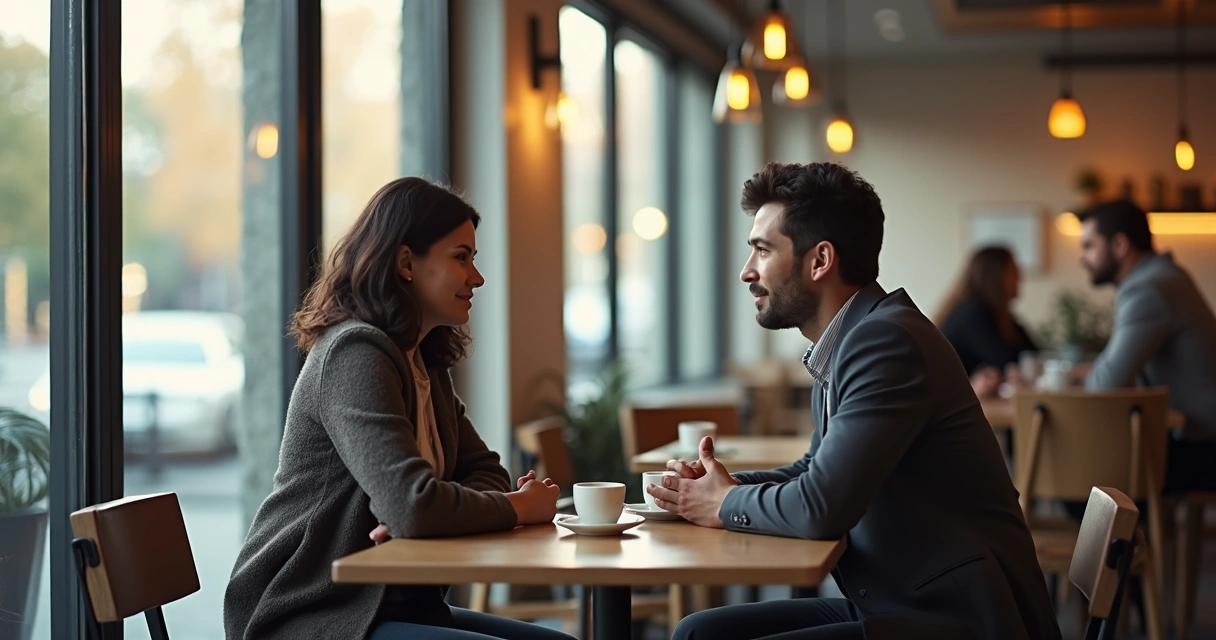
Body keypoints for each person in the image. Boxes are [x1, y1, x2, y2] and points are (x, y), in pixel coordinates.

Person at [647, 162, 1060, 640]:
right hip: (903, 600)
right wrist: (722, 486)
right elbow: (814, 471)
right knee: (700, 633)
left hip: (961, 619)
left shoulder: (884, 342)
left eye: (762, 250)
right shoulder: (857, 337)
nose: (747, 272)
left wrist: (725, 503)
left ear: (820, 260)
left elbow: (822, 508)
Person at [223, 177, 573, 640]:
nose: (478, 276)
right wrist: (514, 509)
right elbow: (413, 507)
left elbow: (484, 469)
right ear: (407, 262)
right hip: (311, 612)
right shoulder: (355, 353)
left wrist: (437, 509)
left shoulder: (422, 356)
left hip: (395, 607)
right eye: (461, 257)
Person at [1078, 199, 1216, 493]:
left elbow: (1105, 387)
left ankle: (1139, 540)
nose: (1081, 257)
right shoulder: (1163, 278)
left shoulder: (1147, 290)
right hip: (1197, 437)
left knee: (1084, 480)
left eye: (1089, 246)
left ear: (1120, 245)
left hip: (1203, 446)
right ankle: (1144, 537)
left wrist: (1078, 378)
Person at [936, 246, 1037, 398]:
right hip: (956, 408)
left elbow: (1034, 356)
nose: (1021, 278)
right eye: (1014, 272)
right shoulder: (972, 314)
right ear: (996, 276)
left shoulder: (1001, 317)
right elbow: (1006, 363)